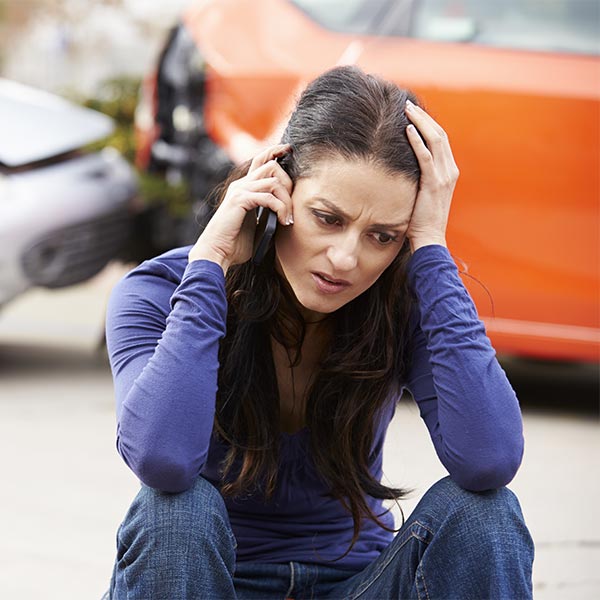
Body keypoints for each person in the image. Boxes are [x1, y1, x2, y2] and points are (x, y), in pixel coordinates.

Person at [105, 65, 534, 599]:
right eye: (327, 218)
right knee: (173, 512)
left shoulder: (406, 299)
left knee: (485, 513)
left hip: (359, 583)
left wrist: (429, 246)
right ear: (276, 187)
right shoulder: (157, 292)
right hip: (213, 584)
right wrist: (211, 263)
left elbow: (489, 459)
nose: (346, 258)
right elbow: (162, 461)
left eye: (382, 235)